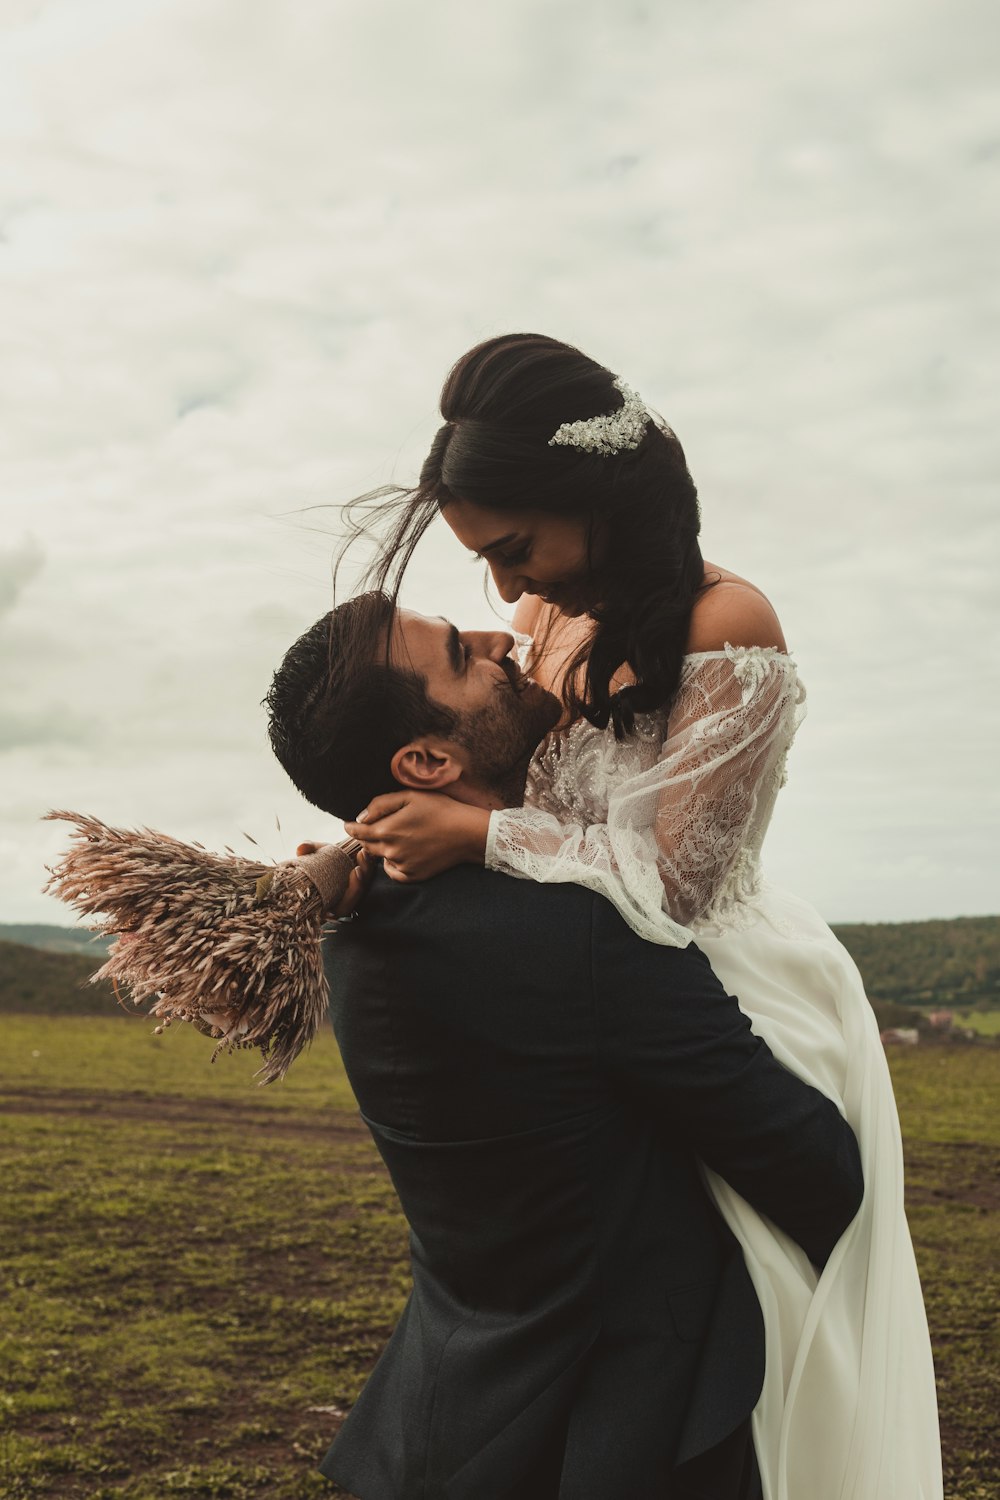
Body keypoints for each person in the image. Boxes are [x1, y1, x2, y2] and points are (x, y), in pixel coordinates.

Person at [332, 334, 943, 1499]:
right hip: (594, 979)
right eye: (487, 567)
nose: (508, 596)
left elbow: (678, 886)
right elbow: (471, 770)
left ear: (597, 496)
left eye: (514, 552)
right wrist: (357, 857)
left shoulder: (727, 622)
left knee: (753, 1311)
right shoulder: (556, 625)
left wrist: (483, 836)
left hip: (726, 982)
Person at [265, 591, 864, 1500]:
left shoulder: (357, 926)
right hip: (625, 1437)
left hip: (450, 1418)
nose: (506, 637)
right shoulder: (578, 932)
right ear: (426, 760)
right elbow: (815, 1168)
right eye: (464, 655)